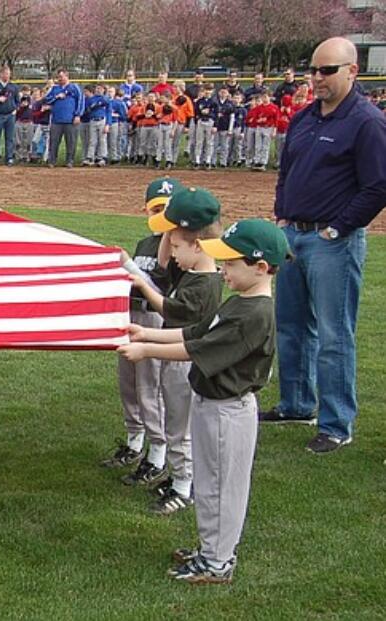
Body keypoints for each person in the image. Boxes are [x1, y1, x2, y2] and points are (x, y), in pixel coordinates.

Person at [118, 218, 291, 584]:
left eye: (231, 264)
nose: (223, 270)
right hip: (213, 405)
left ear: (261, 268)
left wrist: (146, 348)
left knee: (222, 488)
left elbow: (197, 349)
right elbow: (197, 331)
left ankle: (217, 562)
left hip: (229, 410)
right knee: (210, 484)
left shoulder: (253, 315)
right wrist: (145, 331)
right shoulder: (240, 303)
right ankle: (210, 550)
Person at [263, 37, 386, 453]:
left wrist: (339, 228)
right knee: (291, 326)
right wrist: (281, 213)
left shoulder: (367, 121)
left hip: (333, 241)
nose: (316, 78)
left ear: (353, 71)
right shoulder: (304, 118)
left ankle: (337, 422)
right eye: (313, 69)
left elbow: (377, 185)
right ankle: (296, 404)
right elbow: (287, 169)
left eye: (327, 70)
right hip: (293, 234)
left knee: (335, 335)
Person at [125, 187, 224, 515]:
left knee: (180, 428)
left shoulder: (202, 284)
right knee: (173, 421)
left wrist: (141, 284)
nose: (169, 249)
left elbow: (171, 311)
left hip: (185, 364)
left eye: (176, 241)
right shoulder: (192, 271)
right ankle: (179, 476)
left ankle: (184, 486)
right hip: (175, 357)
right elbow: (166, 264)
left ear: (197, 245)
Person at [105, 177, 176, 473]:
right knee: (129, 383)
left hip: (156, 319)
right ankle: (135, 439)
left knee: (150, 385)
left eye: (167, 210)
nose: (161, 216)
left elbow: (159, 289)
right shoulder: (146, 243)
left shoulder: (179, 245)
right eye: (155, 209)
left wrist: (128, 265)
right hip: (131, 317)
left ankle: (157, 451)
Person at [44, 69, 84, 167]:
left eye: (61, 77)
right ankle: (52, 161)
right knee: (54, 141)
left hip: (70, 120)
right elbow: (47, 100)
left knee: (71, 142)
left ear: (67, 76)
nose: (60, 79)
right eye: (58, 77)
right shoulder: (54, 88)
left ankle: (69, 161)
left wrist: (77, 115)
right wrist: (57, 97)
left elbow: (80, 101)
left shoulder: (74, 87)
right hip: (56, 120)